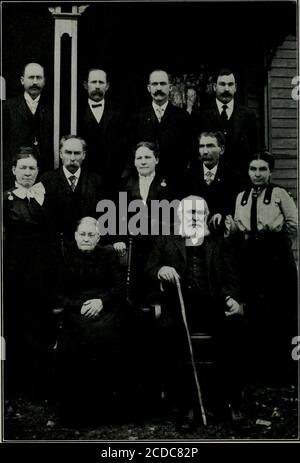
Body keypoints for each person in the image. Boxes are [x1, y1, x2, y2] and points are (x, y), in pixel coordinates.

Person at [145, 196, 246, 431]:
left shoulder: (219, 242)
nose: (193, 216)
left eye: (199, 213)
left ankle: (230, 402)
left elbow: (233, 277)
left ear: (206, 216)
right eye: (189, 212)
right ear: (180, 215)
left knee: (235, 328)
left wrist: (231, 297)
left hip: (213, 304)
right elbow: (148, 270)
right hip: (178, 304)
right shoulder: (166, 240)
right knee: (172, 334)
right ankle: (187, 404)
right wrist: (161, 270)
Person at [226, 152, 298, 383]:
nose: (257, 174)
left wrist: (278, 249)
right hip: (250, 256)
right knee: (254, 305)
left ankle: (281, 370)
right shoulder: (242, 196)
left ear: (270, 171)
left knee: (278, 306)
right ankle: (257, 368)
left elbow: (292, 224)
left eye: (262, 169)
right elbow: (238, 225)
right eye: (253, 169)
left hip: (275, 257)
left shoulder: (279, 194)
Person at [54, 217, 128, 424]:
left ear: (98, 237)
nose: (86, 238)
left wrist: (101, 301)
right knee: (73, 344)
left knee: (111, 339)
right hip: (76, 309)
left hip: (107, 308)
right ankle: (77, 412)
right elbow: (58, 294)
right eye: (82, 234)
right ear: (76, 236)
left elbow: (118, 288)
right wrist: (80, 306)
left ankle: (108, 410)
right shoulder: (65, 256)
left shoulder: (108, 255)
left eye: (91, 235)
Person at [3, 147, 55, 401]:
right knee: (15, 325)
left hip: (43, 272)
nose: (27, 172)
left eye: (32, 168)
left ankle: (40, 385)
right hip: (15, 273)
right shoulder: (5, 199)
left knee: (41, 326)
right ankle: (15, 384)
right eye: (22, 167)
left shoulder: (46, 195)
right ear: (13, 170)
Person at [112, 141, 174, 309]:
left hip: (158, 244)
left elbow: (172, 218)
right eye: (139, 158)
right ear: (134, 161)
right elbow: (118, 215)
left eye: (148, 157)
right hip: (133, 244)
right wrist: (120, 239)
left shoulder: (167, 184)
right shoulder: (124, 184)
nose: (143, 161)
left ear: (157, 160)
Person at [131, 69, 197, 189]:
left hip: (175, 182)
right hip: (144, 182)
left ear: (170, 87)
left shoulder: (182, 117)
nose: (159, 88)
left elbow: (190, 151)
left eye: (163, 84)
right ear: (148, 88)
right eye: (155, 84)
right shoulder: (137, 117)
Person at [197, 68, 259, 184]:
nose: (226, 89)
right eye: (222, 84)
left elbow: (255, 150)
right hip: (211, 182)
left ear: (235, 88)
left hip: (241, 183)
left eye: (230, 85)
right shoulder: (201, 115)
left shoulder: (248, 116)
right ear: (214, 87)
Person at [40, 135, 104, 244]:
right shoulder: (46, 181)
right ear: (60, 154)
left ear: (84, 155)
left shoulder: (96, 181)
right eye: (68, 152)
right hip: (57, 247)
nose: (72, 158)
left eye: (77, 153)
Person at [77, 67, 128, 194]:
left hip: (113, 180)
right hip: (84, 180)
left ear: (107, 86)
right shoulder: (75, 113)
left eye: (101, 82)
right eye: (94, 82)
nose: (97, 86)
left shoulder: (119, 113)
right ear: (85, 85)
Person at [3, 62, 53, 189]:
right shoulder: (7, 108)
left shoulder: (53, 109)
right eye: (31, 77)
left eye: (39, 78)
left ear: (44, 81)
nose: (35, 82)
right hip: (13, 177)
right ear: (22, 80)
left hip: (44, 177)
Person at [183, 131, 243, 228]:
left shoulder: (233, 177)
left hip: (222, 232)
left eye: (210, 146)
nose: (205, 151)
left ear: (222, 149)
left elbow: (235, 207)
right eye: (202, 146)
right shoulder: (188, 176)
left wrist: (222, 215)